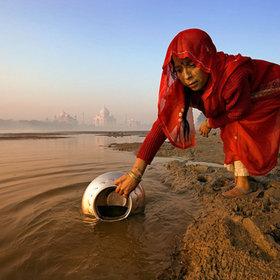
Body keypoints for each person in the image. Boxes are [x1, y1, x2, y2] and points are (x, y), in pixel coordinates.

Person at [115, 28, 280, 198]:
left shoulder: (232, 76)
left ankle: (244, 185)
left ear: (206, 58)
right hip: (241, 103)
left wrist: (210, 123)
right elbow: (162, 125)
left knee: (237, 128)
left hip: (269, 91)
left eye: (192, 65)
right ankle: (242, 179)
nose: (187, 76)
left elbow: (239, 111)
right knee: (230, 129)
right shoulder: (184, 87)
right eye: (179, 69)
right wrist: (135, 174)